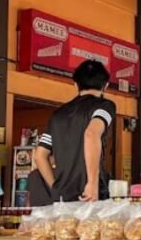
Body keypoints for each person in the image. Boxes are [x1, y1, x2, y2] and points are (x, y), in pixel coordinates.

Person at [34, 60, 115, 202]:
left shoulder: (58, 114)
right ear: (106, 85)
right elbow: (91, 134)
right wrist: (92, 184)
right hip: (90, 196)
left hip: (62, 198)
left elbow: (40, 155)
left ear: (76, 85)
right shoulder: (104, 106)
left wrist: (55, 188)